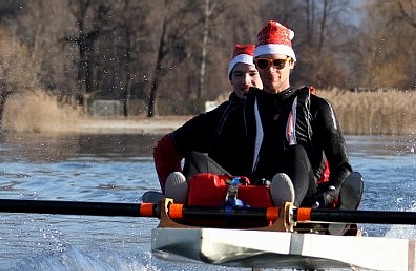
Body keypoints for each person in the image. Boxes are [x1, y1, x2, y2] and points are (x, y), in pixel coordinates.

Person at [245, 20, 362, 233]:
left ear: (291, 63)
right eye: (263, 64)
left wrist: (328, 196)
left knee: (295, 151)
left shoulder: (318, 107)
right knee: (199, 159)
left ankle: (328, 216)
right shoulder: (246, 108)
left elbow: (343, 167)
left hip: (306, 200)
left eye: (278, 63)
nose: (271, 71)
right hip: (260, 197)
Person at [152, 44, 262, 202]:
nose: (245, 81)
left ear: (263, 75)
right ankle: (181, 200)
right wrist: (169, 189)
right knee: (195, 160)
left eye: (252, 73)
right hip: (223, 189)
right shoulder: (216, 116)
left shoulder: (279, 111)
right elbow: (164, 149)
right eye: (238, 74)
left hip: (262, 190)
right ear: (230, 79)